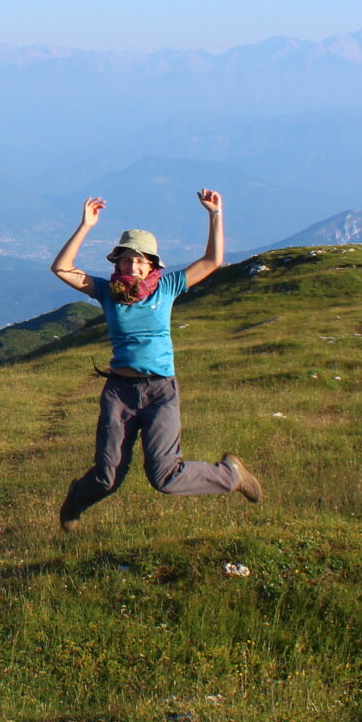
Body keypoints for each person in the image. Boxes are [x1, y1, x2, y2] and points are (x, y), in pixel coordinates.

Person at [49, 191, 262, 531]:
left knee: (165, 477)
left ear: (151, 265)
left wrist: (215, 215)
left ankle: (231, 474)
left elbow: (212, 261)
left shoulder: (169, 287)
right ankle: (77, 500)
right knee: (107, 476)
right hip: (119, 392)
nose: (131, 265)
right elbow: (61, 268)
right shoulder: (106, 291)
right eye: (124, 260)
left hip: (161, 391)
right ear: (116, 264)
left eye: (139, 260)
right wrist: (86, 225)